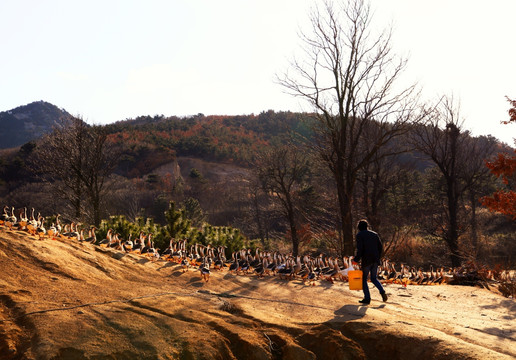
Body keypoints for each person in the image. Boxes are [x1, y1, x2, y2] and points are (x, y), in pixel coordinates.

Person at [352, 219, 387, 305]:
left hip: (366, 260)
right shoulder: (374, 234)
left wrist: (356, 260)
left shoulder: (359, 235)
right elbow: (380, 247)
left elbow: (360, 249)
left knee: (364, 279)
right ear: (367, 226)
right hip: (375, 260)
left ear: (359, 227)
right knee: (374, 278)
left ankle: (367, 298)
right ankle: (382, 291)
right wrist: (378, 257)